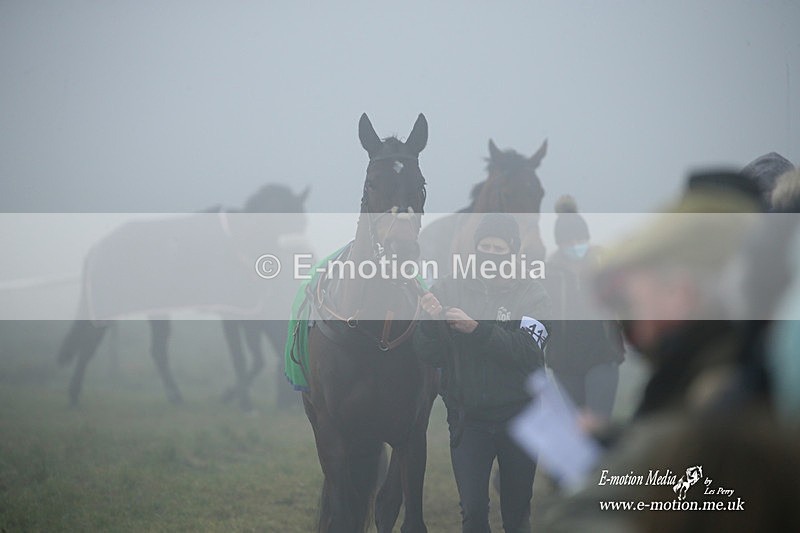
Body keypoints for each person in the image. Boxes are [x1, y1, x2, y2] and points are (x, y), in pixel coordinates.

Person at [413, 213, 551, 533]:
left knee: (516, 515)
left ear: (513, 251)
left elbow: (530, 352)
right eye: (484, 245)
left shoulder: (533, 294)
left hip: (520, 420)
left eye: (498, 247)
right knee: (473, 513)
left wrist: (477, 330)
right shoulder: (450, 287)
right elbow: (428, 352)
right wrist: (431, 324)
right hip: (468, 420)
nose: (490, 253)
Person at [545, 196, 624, 421]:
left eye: (580, 239)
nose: (575, 245)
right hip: (564, 360)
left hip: (603, 355)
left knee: (598, 424)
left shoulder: (604, 266)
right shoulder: (549, 273)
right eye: (569, 241)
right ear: (559, 244)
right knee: (575, 428)